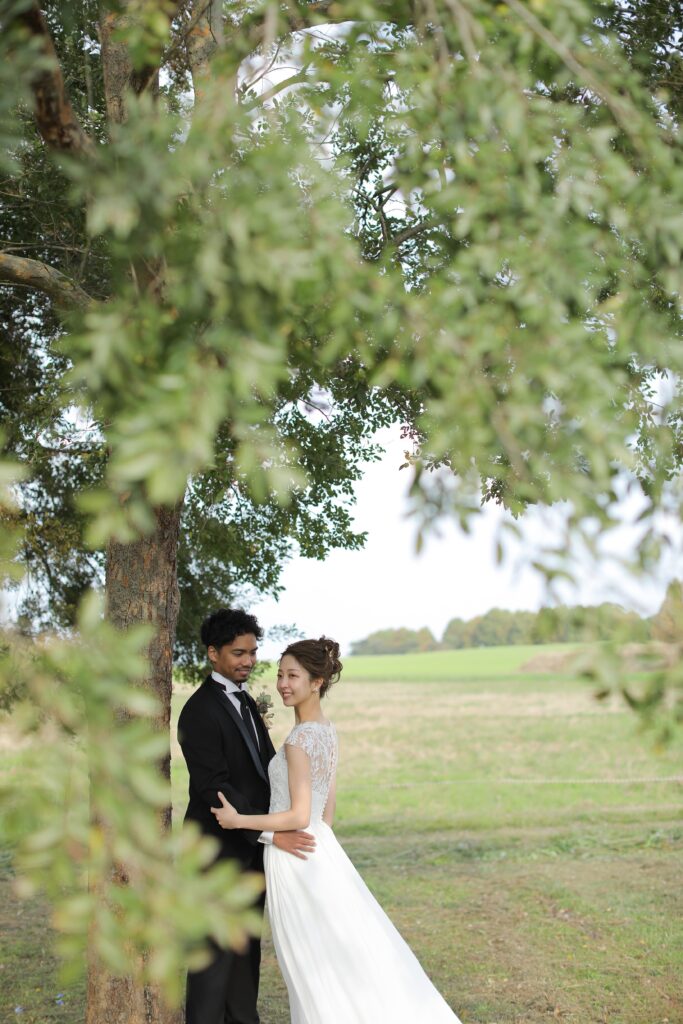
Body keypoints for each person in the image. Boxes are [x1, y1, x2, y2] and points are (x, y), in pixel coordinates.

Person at [211, 636, 462, 1024]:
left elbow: (298, 815)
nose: (282, 684)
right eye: (280, 675)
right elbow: (325, 814)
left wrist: (239, 820)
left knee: (313, 967)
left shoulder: (299, 739)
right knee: (342, 955)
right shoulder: (326, 731)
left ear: (317, 682)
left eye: (293, 676)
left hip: (296, 861)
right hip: (322, 852)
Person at [177, 608, 317, 1024]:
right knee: (212, 959)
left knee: (245, 954)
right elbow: (215, 788)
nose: (249, 661)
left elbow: (264, 772)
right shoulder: (198, 711)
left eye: (253, 652)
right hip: (215, 854)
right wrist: (273, 835)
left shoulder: (246, 703)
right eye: (239, 653)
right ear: (213, 653)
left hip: (251, 853)